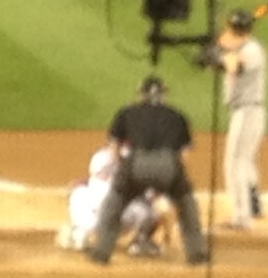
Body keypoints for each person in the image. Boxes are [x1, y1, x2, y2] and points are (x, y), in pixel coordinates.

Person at [86, 75, 209, 266]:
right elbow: (184, 155)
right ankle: (197, 253)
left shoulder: (127, 112)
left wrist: (125, 172)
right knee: (187, 204)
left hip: (136, 163)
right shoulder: (177, 115)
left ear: (142, 94)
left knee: (114, 201)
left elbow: (113, 150)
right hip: (168, 164)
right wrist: (174, 179)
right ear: (163, 95)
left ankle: (101, 251)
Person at [56, 145, 174, 257]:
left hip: (92, 220)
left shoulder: (100, 157)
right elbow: (162, 206)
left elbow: (82, 183)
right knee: (153, 208)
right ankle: (141, 241)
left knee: (78, 192)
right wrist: (167, 236)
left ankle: (79, 231)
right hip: (119, 224)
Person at [215, 8, 268, 230]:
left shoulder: (253, 50)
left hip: (248, 111)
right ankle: (254, 205)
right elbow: (226, 53)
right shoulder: (243, 46)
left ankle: (240, 216)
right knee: (244, 160)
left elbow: (233, 65)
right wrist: (218, 52)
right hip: (248, 112)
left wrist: (217, 55)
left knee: (234, 162)